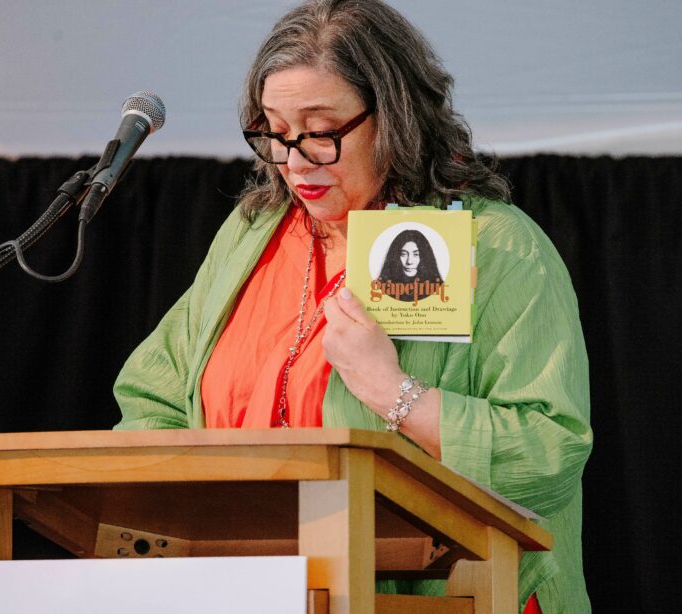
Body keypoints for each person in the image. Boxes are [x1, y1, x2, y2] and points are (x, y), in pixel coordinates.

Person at [113, 0, 592, 611]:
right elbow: (152, 398)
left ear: (394, 116)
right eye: (275, 133)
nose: (294, 161)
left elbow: (548, 452)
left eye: (320, 132)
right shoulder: (252, 234)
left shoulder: (494, 247)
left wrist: (395, 393)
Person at [375, 228, 443, 302]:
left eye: (416, 254)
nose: (409, 261)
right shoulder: (382, 287)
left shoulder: (437, 286)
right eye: (403, 254)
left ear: (424, 257)